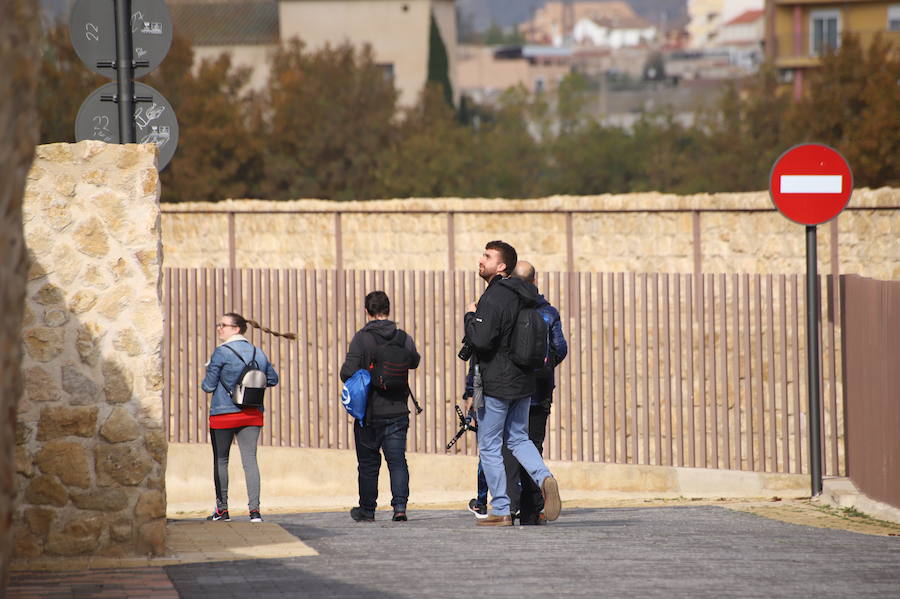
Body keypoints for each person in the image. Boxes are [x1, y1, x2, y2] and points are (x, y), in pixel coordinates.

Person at [462, 241, 562, 526]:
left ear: (501, 266)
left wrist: (471, 315)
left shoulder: (494, 297)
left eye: (487, 256)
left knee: (490, 444)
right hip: (524, 381)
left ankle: (502, 509)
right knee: (519, 438)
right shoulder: (527, 296)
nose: (481, 260)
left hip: (497, 381)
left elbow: (480, 340)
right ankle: (544, 477)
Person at [201, 312, 290, 523]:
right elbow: (273, 379)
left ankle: (222, 511)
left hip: (223, 413)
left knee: (221, 460)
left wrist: (210, 369)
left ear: (236, 329)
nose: (219, 328)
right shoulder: (258, 352)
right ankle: (255, 512)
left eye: (223, 325)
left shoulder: (221, 352)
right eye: (218, 324)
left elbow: (208, 386)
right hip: (252, 413)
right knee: (250, 461)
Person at [340, 291, 420, 523]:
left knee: (368, 463)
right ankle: (400, 507)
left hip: (369, 413)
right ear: (389, 309)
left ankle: (367, 510)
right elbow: (414, 361)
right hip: (398, 410)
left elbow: (347, 371)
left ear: (367, 311)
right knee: (397, 461)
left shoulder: (362, 338)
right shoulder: (403, 337)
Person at [507, 260, 568, 525]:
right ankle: (533, 510)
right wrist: (544, 366)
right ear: (535, 281)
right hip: (540, 391)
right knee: (533, 445)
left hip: (511, 389)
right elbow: (560, 348)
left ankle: (508, 507)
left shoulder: (508, 310)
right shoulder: (548, 312)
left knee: (507, 447)